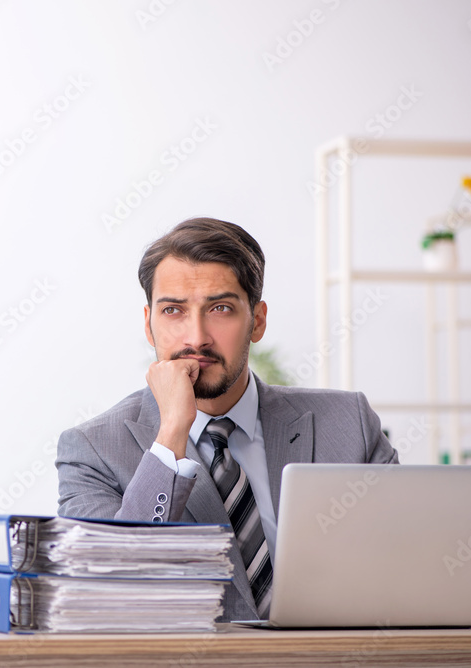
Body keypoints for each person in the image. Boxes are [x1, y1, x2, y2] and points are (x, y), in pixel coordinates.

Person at [55, 217, 398, 621]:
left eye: (220, 309)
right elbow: (110, 590)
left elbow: (404, 562)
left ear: (258, 320)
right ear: (149, 325)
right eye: (173, 311)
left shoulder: (349, 423)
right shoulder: (92, 449)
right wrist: (170, 436)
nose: (196, 337)